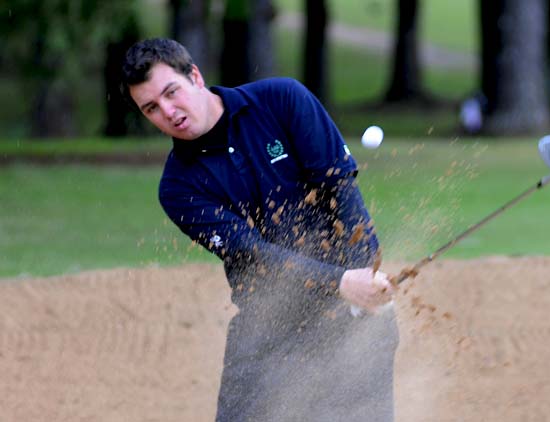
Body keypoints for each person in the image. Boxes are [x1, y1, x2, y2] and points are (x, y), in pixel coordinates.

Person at [121, 38, 399, 422]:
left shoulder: (281, 100)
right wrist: (341, 282)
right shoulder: (178, 188)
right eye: (151, 108)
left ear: (195, 77)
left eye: (172, 92)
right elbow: (254, 254)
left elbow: (343, 195)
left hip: (353, 314)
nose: (168, 112)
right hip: (267, 327)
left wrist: (363, 278)